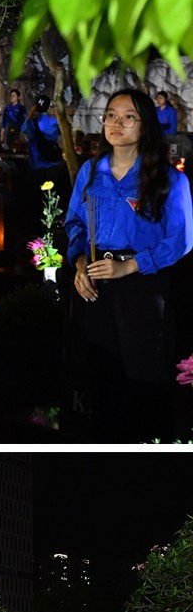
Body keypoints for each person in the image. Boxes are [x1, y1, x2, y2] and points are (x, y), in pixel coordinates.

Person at [68, 87, 193, 440]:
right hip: (95, 285)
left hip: (143, 287)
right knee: (102, 383)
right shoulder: (91, 173)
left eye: (128, 117)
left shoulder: (169, 179)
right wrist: (79, 265)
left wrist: (131, 266)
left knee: (146, 384)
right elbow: (75, 223)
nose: (116, 123)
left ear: (145, 125)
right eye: (110, 115)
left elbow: (181, 239)